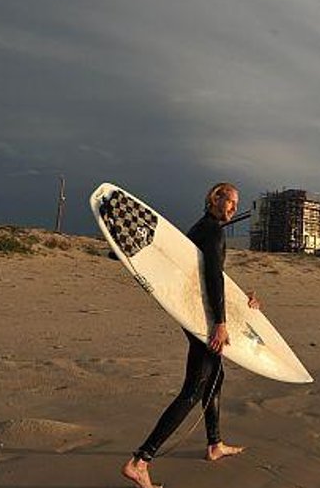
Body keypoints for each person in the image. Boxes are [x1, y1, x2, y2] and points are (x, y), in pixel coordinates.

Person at [122, 182, 258, 488]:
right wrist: (221, 323)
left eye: (237, 203)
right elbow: (212, 279)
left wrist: (243, 301)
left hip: (197, 314)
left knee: (214, 379)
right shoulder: (212, 231)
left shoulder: (200, 229)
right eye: (230, 201)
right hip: (205, 319)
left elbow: (214, 276)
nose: (234, 207)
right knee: (194, 389)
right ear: (214, 199)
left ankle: (214, 445)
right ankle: (140, 461)